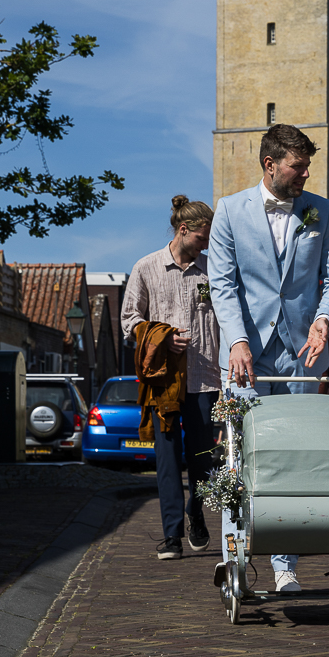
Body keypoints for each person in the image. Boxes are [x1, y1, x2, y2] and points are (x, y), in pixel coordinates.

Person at [208, 124, 329, 593]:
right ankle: (236, 552)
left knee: (295, 453)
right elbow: (222, 285)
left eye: (307, 166)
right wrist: (236, 340)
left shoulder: (322, 211)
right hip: (247, 356)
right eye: (297, 166)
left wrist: (324, 320)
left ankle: (284, 562)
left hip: (303, 355)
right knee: (240, 450)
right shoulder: (228, 211)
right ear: (270, 164)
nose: (304, 174)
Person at [122, 195, 221, 561]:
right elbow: (129, 321)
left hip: (204, 379)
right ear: (184, 230)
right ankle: (171, 535)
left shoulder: (213, 272)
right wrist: (162, 335)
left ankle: (196, 512)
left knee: (203, 460)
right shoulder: (146, 267)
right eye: (201, 239)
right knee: (166, 459)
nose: (205, 246)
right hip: (162, 382)